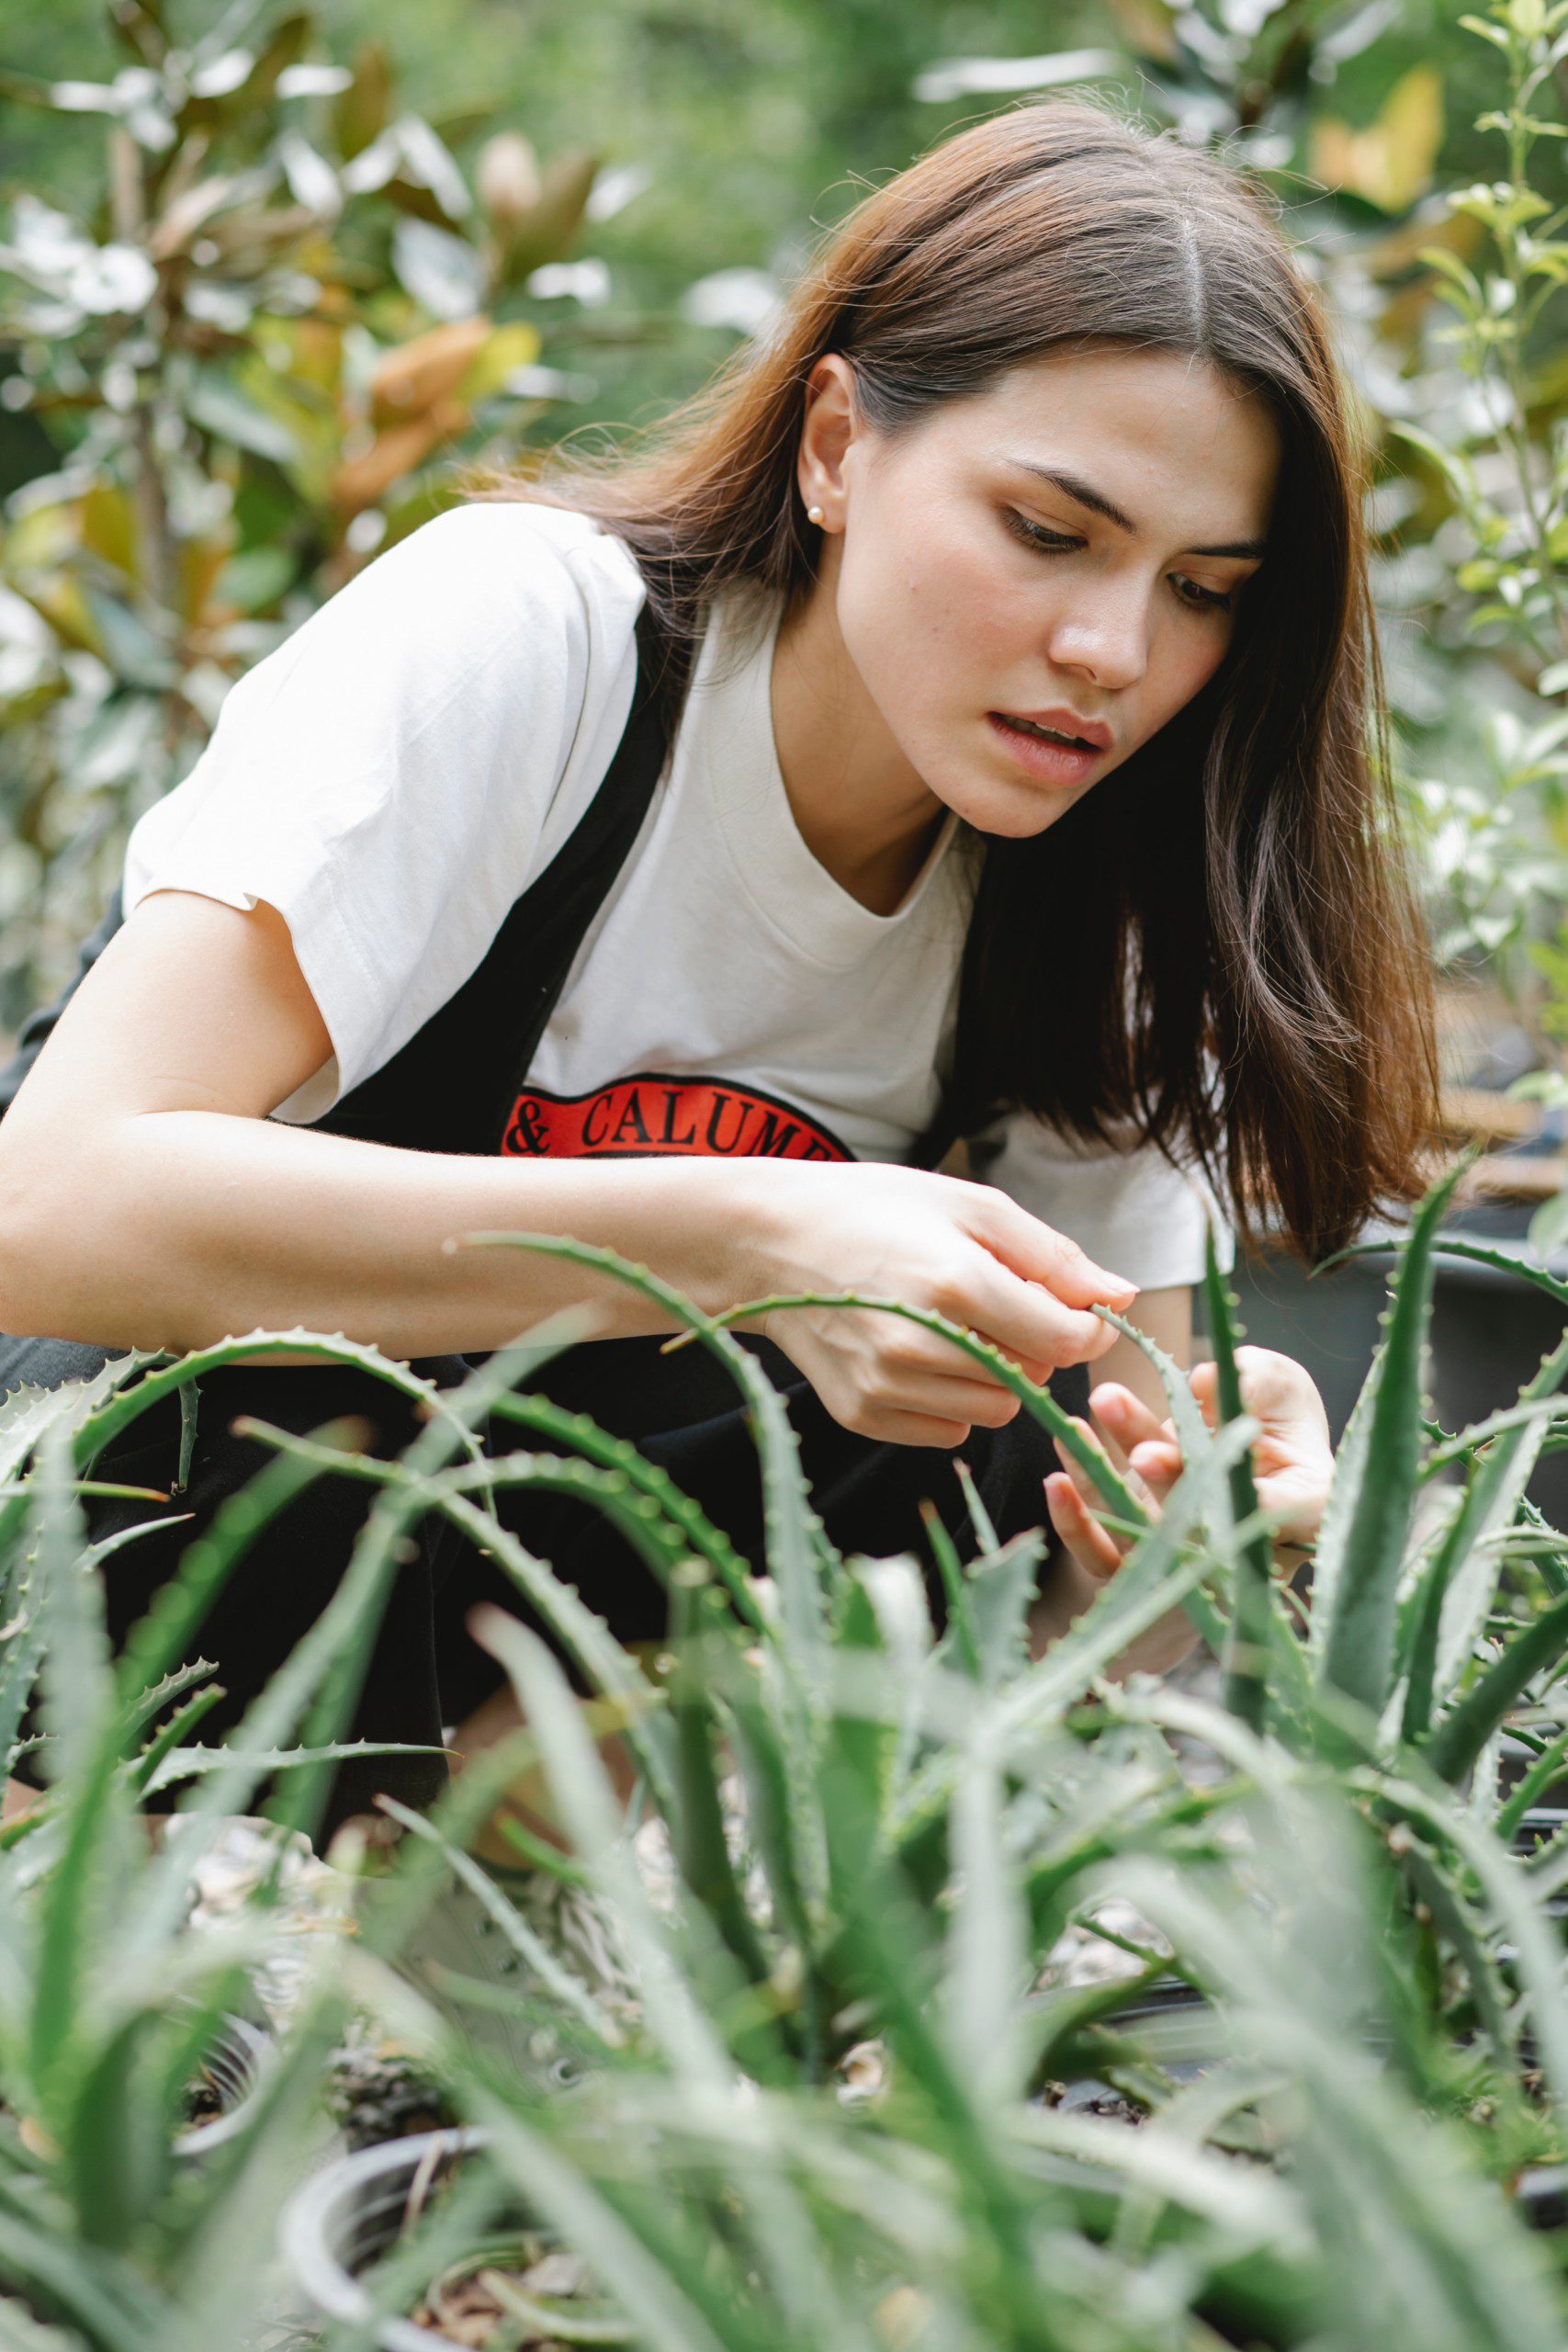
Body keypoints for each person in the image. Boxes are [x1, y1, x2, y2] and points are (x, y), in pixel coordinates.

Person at [0, 96, 1430, 1848]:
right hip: (132, 1616)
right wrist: (742, 1239)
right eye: (1049, 533)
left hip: (595, 1792)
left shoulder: (1120, 886)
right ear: (836, 445)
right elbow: (48, 1207)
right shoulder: (538, 646)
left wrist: (1207, 1474)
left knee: (969, 1401)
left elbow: (1078, 1549)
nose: (1112, 652)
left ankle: (581, 1976)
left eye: (1205, 588)